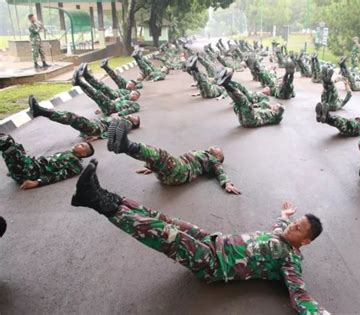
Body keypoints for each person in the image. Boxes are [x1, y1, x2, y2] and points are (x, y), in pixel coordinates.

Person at [71, 159, 329, 315]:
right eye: (295, 223)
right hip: (214, 241)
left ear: (304, 242)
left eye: (297, 228)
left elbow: (301, 297)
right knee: (168, 220)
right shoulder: (283, 234)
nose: (291, 227)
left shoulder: (290, 262)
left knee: (167, 235)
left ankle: (97, 203)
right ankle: (108, 196)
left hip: (215, 265)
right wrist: (285, 214)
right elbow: (280, 224)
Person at [106, 119, 241, 194]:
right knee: (154, 159)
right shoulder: (204, 154)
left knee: (160, 154)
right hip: (172, 174)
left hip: (182, 172)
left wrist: (226, 183)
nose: (216, 146)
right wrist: (152, 168)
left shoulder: (212, 160)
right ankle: (120, 147)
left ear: (218, 156)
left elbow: (220, 171)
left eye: (219, 149)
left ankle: (126, 146)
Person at [0, 133, 93, 189]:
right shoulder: (68, 153)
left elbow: (58, 176)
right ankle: (15, 170)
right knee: (15, 145)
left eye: (82, 145)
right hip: (29, 167)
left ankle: (16, 170)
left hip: (33, 172)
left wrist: (37, 182)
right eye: (80, 143)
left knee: (6, 141)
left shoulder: (76, 164)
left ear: (83, 154)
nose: (78, 144)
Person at [28, 95, 140, 141]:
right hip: (95, 124)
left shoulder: (127, 124)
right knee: (71, 118)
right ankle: (40, 112)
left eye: (136, 119)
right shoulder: (121, 117)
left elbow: (119, 133)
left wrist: (99, 136)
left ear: (134, 123)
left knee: (72, 117)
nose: (134, 116)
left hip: (97, 128)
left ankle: (40, 111)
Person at [217, 68, 285, 128]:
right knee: (238, 102)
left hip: (253, 120)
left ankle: (226, 84)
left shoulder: (274, 116)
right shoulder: (265, 107)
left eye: (277, 107)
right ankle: (226, 84)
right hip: (245, 119)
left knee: (243, 100)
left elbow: (280, 114)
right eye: (276, 105)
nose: (275, 106)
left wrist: (281, 107)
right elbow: (259, 105)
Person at [72, 70, 141, 117]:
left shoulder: (135, 104)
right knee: (93, 96)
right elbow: (116, 101)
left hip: (113, 108)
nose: (132, 95)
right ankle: (79, 83)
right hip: (109, 107)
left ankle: (80, 81)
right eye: (132, 93)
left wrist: (119, 114)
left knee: (98, 94)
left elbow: (129, 110)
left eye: (135, 94)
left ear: (137, 98)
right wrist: (101, 110)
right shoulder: (125, 97)